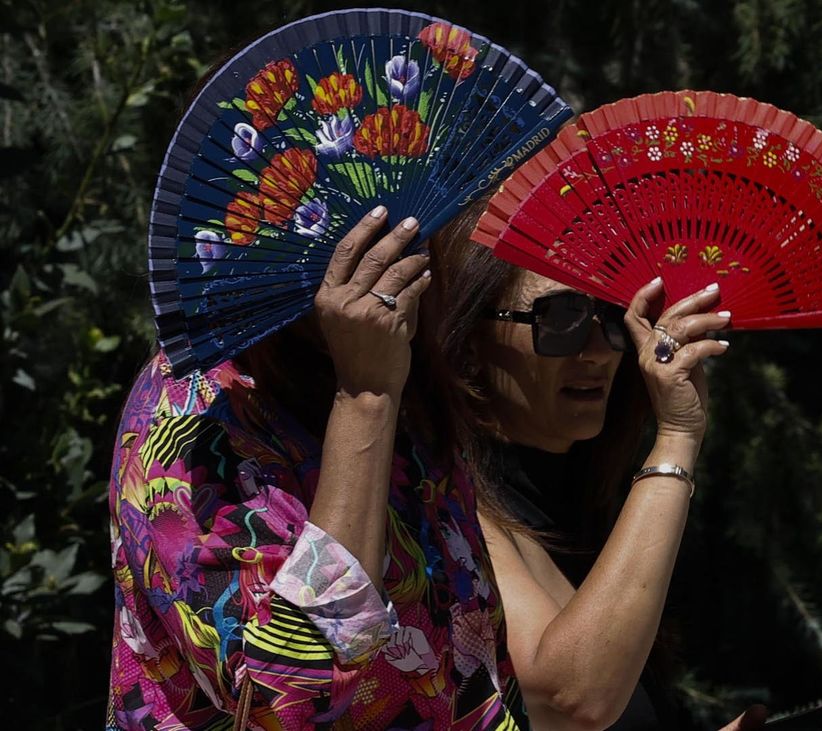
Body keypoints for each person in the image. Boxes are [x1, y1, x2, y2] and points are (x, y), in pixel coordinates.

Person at [106, 210, 529, 729]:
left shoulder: (400, 377)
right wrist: (365, 398)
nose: (397, 262)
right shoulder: (195, 414)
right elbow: (282, 698)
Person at [421, 205, 768, 731]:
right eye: (560, 319)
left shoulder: (590, 516)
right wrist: (676, 439)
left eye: (611, 315)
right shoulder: (452, 511)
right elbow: (571, 697)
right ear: (469, 343)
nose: (600, 350)